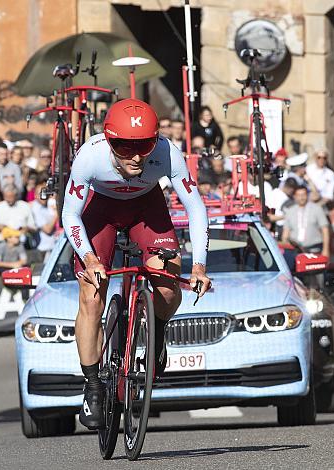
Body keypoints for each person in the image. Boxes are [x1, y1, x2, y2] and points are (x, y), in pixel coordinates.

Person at [62, 98, 211, 430]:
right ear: (110, 141)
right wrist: (89, 258)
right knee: (91, 294)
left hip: (147, 208)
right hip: (100, 210)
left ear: (155, 140)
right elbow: (69, 213)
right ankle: (93, 385)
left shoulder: (168, 153)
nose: (136, 155)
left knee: (168, 284)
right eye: (124, 146)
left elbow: (196, 209)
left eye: (144, 145)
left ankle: (157, 328)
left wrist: (199, 265)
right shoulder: (90, 156)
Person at [281, 185, 330, 257]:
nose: (301, 197)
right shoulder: (290, 211)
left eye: (303, 194)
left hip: (314, 248)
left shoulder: (317, 209)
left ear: (307, 195)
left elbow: (325, 230)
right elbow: (285, 233)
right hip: (295, 250)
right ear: (295, 196)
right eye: (299, 195)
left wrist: (326, 249)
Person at [30, 183, 58, 262]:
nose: (43, 196)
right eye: (40, 194)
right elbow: (47, 230)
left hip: (52, 247)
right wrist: (56, 215)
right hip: (43, 250)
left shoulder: (48, 204)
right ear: (35, 195)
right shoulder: (36, 208)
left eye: (45, 193)